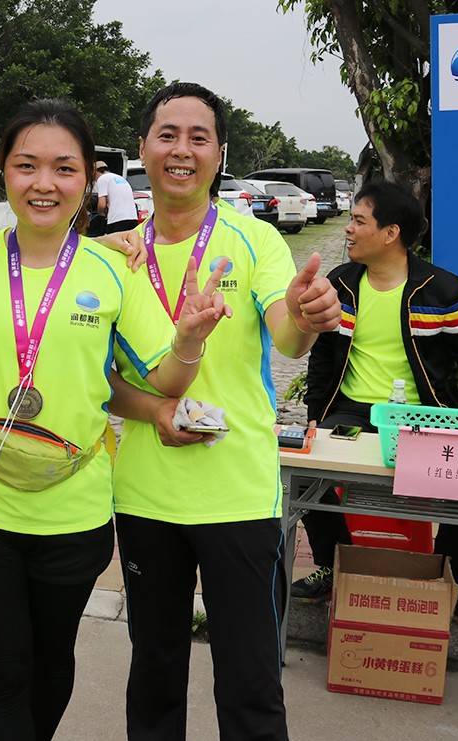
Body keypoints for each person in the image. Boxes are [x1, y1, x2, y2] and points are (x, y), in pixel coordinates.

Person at [0, 98, 230, 741]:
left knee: (52, 662)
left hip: (76, 508)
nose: (44, 184)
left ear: (90, 177)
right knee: (4, 669)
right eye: (26, 165)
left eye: (64, 168)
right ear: (2, 170)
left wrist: (188, 339)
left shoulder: (112, 271)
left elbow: (165, 380)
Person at [107, 82, 341, 740]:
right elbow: (100, 381)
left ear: (219, 154)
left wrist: (305, 316)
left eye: (199, 137)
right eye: (167, 135)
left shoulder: (254, 240)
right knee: (154, 674)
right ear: (143, 149)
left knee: (250, 682)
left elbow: (286, 334)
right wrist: (156, 410)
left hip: (238, 494)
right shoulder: (114, 256)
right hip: (146, 495)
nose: (182, 150)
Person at [294, 179, 458, 626]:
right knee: (302, 470)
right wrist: (315, 418)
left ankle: (452, 580)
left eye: (358, 220)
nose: (348, 229)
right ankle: (332, 563)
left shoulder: (441, 290)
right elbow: (323, 360)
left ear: (391, 233)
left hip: (422, 416)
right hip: (352, 413)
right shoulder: (340, 285)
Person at [92, 160, 139, 236]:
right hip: (133, 218)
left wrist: (102, 214)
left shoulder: (102, 179)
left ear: (96, 172)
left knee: (112, 243)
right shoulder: (120, 178)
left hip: (117, 220)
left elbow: (101, 205)